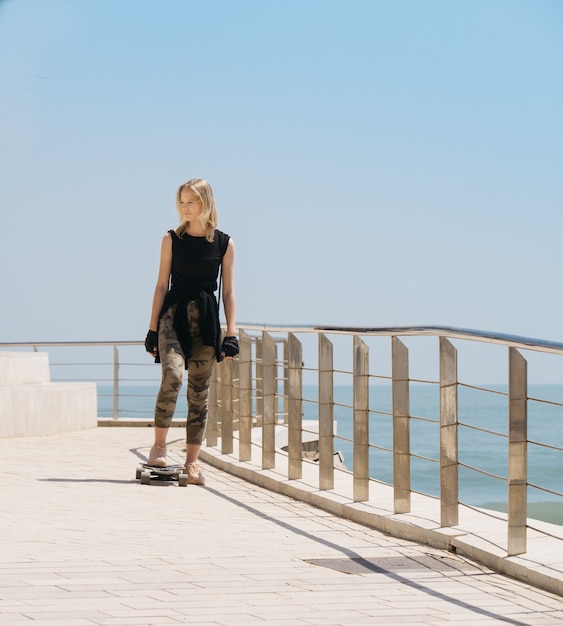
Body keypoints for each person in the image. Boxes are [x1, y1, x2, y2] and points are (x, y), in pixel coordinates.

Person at [144, 179, 238, 485]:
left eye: (191, 202)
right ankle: (159, 446)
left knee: (200, 394)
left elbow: (228, 293)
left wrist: (231, 333)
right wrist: (152, 329)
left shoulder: (224, 243)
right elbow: (161, 285)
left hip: (207, 322)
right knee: (173, 376)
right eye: (181, 202)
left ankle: (192, 463)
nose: (185, 208)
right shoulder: (171, 240)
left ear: (205, 204)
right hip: (173, 316)